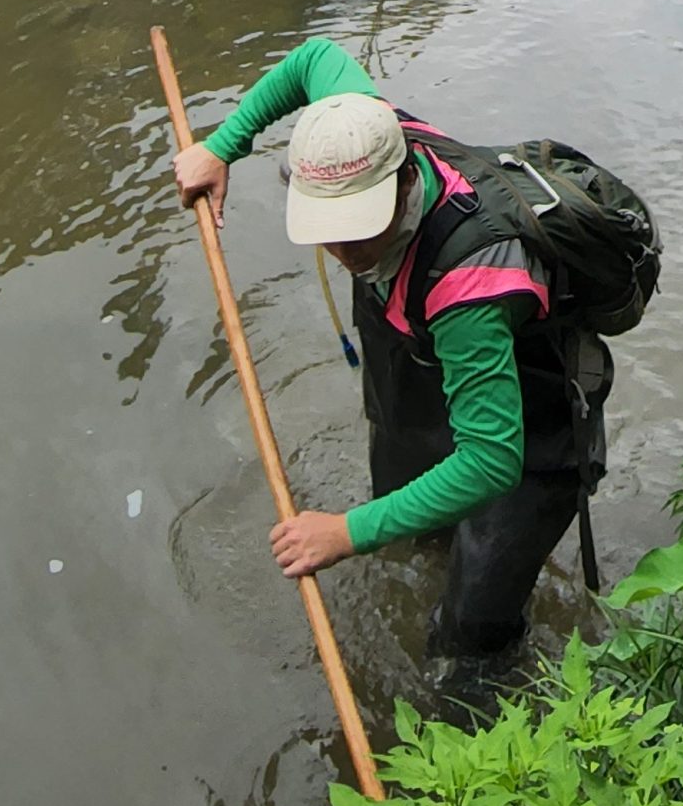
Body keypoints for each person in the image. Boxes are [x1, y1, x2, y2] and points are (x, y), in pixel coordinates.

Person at [172, 38, 615, 683]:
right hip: (424, 351)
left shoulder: (470, 286)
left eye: (361, 226)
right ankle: (425, 543)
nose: (347, 250)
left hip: (531, 415)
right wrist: (222, 146)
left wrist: (346, 533)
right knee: (410, 505)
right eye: (332, 228)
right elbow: (311, 58)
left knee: (468, 637)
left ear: (405, 178)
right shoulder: (356, 125)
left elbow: (492, 460)